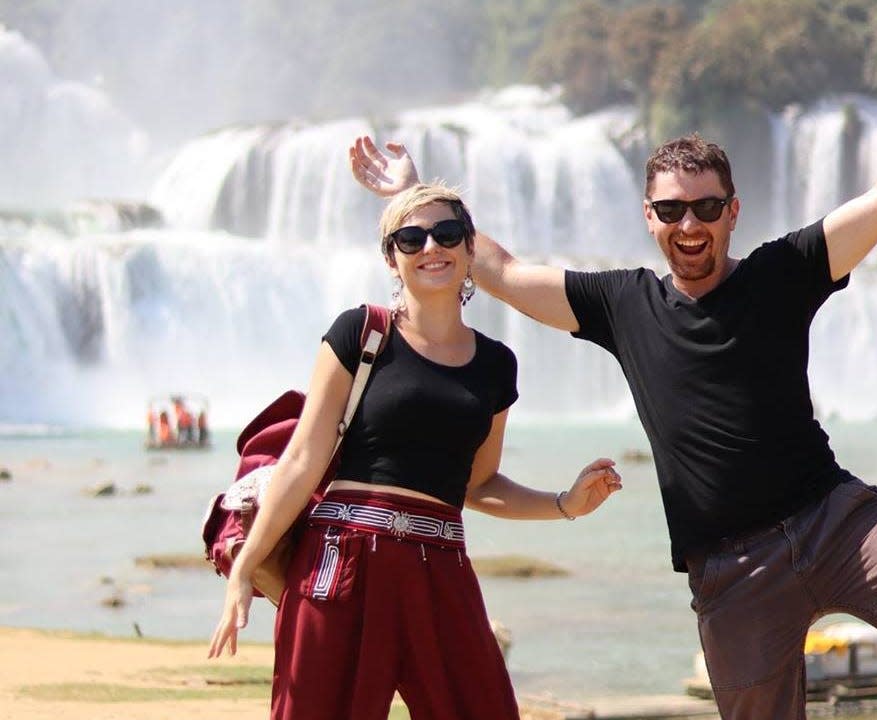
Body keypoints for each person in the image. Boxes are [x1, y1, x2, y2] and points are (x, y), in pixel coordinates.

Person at [349, 93, 877, 720]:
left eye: (706, 208)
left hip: (837, 525)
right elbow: (502, 270)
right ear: (649, 216)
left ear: (732, 212)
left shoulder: (785, 271)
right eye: (671, 209)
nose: (689, 224)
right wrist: (416, 195)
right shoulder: (624, 304)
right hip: (732, 568)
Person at [208, 183, 623, 720]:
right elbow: (302, 461)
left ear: (471, 250)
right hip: (342, 561)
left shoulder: (497, 365)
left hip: (441, 567)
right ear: (392, 258)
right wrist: (245, 567)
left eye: (447, 233)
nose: (432, 247)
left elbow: (478, 484)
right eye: (411, 237)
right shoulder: (361, 333)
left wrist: (565, 503)